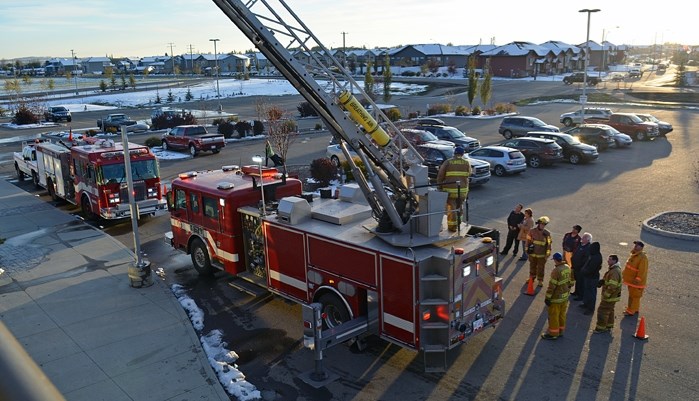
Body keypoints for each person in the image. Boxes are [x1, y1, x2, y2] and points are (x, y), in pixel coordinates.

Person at [436, 146, 471, 232]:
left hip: (450, 191)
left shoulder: (448, 162)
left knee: (452, 208)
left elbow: (440, 175)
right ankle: (459, 224)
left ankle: (452, 227)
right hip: (462, 191)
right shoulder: (466, 163)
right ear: (462, 154)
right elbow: (469, 174)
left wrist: (439, 186)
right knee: (460, 207)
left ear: (454, 153)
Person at [541, 252, 572, 340]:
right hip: (565, 296)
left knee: (554, 315)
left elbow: (552, 286)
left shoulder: (556, 270)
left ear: (555, 260)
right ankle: (561, 331)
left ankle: (553, 334)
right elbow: (571, 281)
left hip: (556, 297)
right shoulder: (567, 267)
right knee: (562, 315)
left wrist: (548, 297)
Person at [593, 254, 622, 333]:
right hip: (613, 296)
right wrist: (602, 282)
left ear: (614, 261)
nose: (608, 261)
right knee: (610, 310)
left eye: (610, 260)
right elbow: (609, 281)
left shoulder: (614, 272)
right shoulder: (614, 270)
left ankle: (600, 328)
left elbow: (612, 286)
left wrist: (606, 294)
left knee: (602, 310)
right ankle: (609, 325)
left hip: (610, 296)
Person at [622, 240, 649, 317]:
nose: (635, 247)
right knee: (634, 296)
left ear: (641, 247)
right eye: (635, 245)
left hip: (636, 282)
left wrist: (637, 279)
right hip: (631, 281)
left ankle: (631, 311)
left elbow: (642, 270)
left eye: (637, 246)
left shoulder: (642, 258)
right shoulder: (634, 255)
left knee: (634, 297)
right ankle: (635, 309)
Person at [526, 216, 552, 287]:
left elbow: (549, 244)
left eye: (544, 225)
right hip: (533, 254)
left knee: (541, 268)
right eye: (542, 224)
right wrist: (527, 249)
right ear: (539, 224)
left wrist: (548, 253)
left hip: (542, 255)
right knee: (532, 267)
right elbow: (528, 240)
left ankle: (540, 280)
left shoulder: (547, 233)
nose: (543, 226)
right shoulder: (532, 231)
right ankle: (531, 278)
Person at [580, 241, 603, 315]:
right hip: (588, 277)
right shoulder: (593, 255)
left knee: (591, 294)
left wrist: (583, 271)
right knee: (587, 291)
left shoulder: (596, 257)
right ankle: (586, 304)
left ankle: (590, 308)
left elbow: (591, 269)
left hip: (592, 278)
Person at [570, 232, 592, 301]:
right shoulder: (581, 245)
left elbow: (585, 260)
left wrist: (579, 266)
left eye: (584, 237)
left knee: (581, 282)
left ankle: (580, 296)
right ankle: (576, 292)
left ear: (588, 240)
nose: (582, 238)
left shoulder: (588, 248)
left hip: (580, 268)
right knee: (577, 281)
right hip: (576, 267)